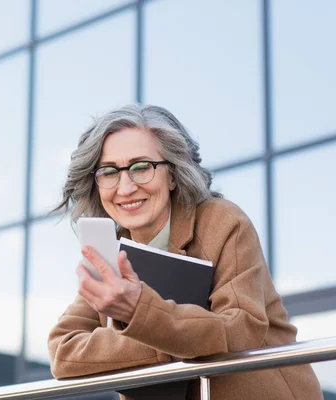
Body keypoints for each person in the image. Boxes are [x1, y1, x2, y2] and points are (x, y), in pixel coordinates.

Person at [47, 104, 323, 400]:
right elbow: (64, 352)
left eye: (141, 168)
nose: (125, 188)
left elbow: (241, 328)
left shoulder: (223, 222)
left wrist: (140, 313)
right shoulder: (109, 251)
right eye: (109, 172)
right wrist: (172, 340)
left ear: (174, 175)